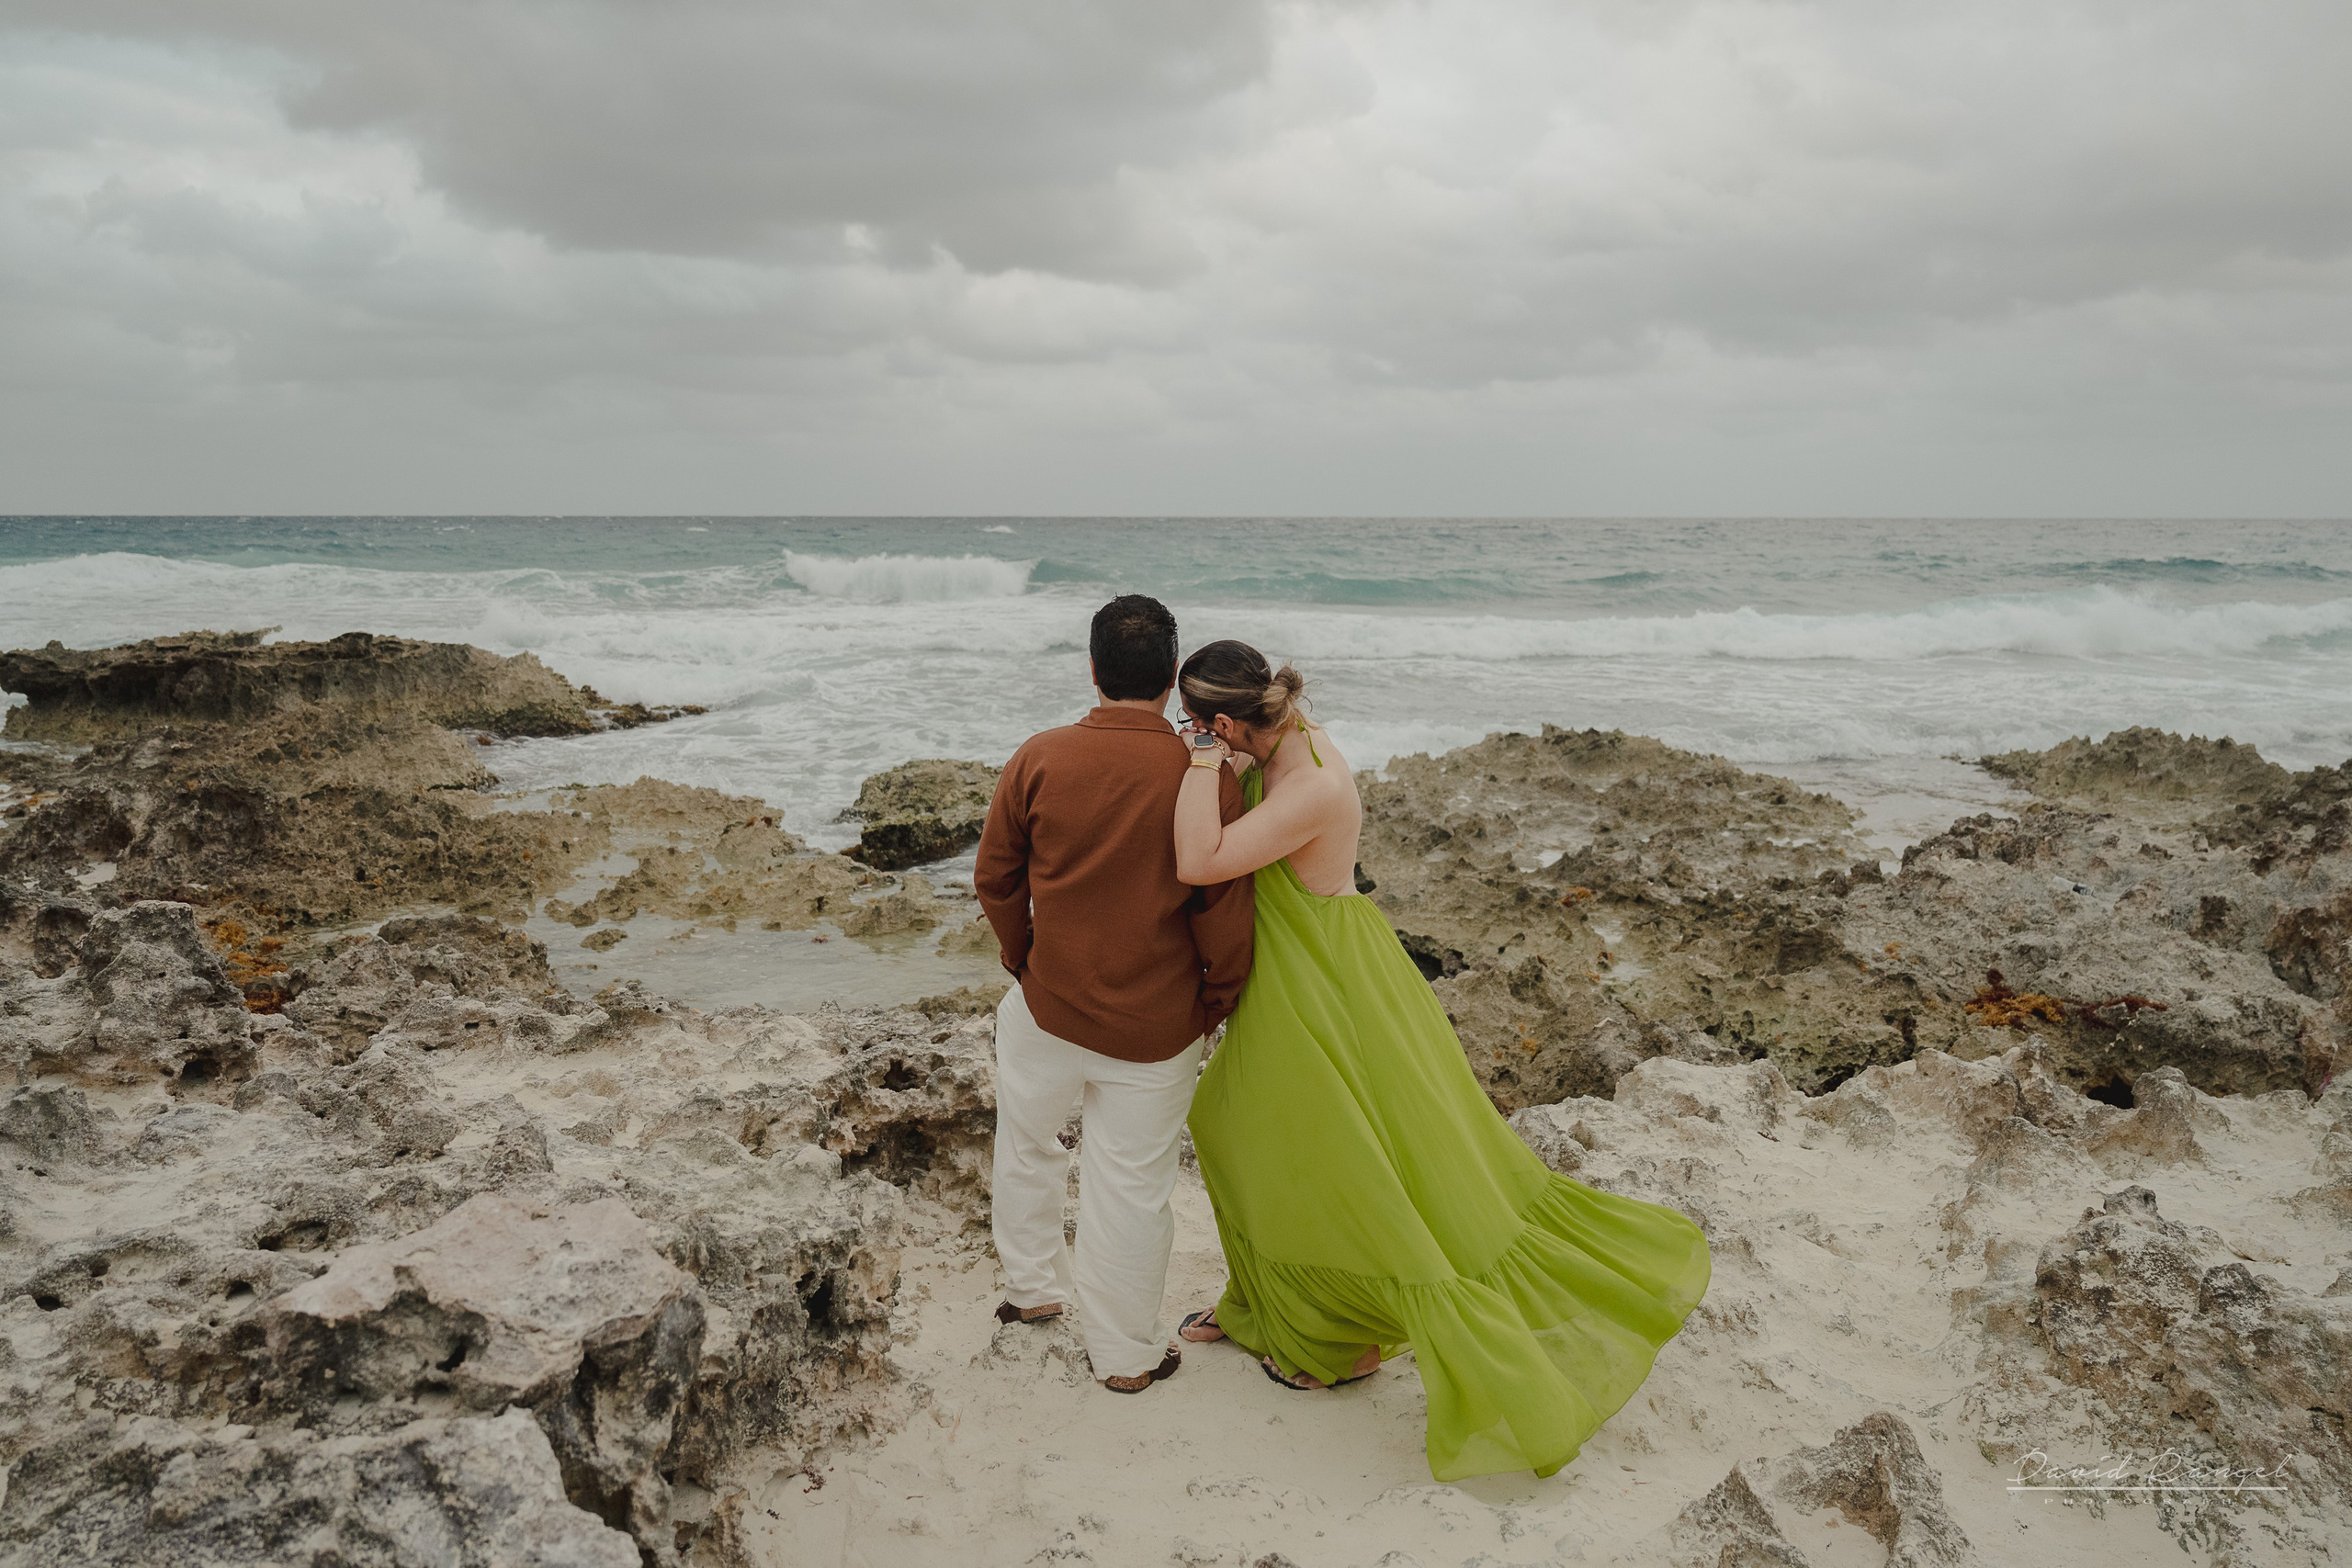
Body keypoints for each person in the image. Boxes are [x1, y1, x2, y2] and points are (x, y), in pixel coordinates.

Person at [1168, 638, 1711, 1480]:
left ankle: (1341, 1348)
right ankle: (1277, 1311)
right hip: (1293, 979)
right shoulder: (1273, 747)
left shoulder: (1312, 780)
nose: (1194, 735)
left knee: (1348, 1166)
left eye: (1197, 723)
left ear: (1229, 721)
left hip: (1329, 987)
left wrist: (1202, 763)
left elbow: (1199, 860)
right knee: (1247, 1133)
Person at [974, 596, 1256, 1394]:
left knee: (1027, 1144)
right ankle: (1127, 1355)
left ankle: (1032, 1291)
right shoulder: (1201, 777)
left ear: (1092, 670)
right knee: (1130, 1185)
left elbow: (994, 876)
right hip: (1158, 1022)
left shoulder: (1039, 756)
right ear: (1172, 680)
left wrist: (1024, 957)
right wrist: (1214, 1004)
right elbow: (1224, 914)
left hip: (1047, 1004)